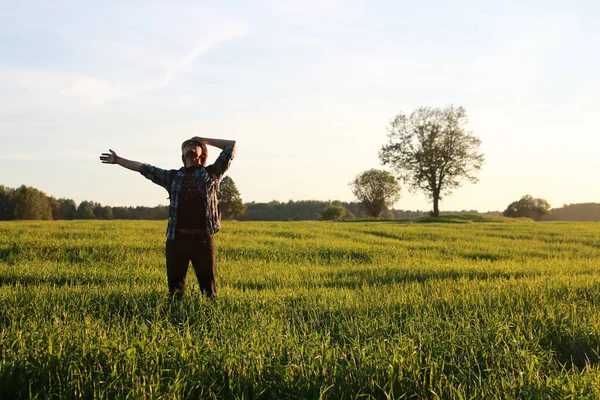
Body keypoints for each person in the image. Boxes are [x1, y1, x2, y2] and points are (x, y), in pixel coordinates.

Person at [99, 137, 236, 298]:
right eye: (187, 145)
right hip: (176, 241)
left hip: (203, 240)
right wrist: (117, 160)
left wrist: (202, 140)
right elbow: (143, 168)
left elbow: (231, 146)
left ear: (202, 155)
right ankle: (175, 318)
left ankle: (209, 319)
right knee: (175, 292)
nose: (190, 146)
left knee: (209, 292)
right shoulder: (172, 177)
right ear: (182, 155)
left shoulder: (211, 174)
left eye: (195, 145)